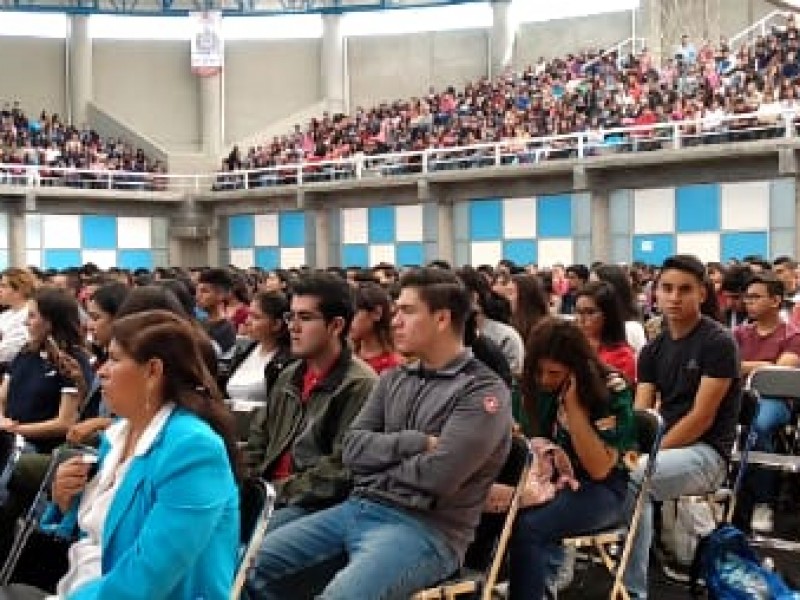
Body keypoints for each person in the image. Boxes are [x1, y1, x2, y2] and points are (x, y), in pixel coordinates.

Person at [247, 267, 512, 600]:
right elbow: (352, 450)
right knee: (244, 568)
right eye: (395, 309)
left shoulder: (482, 392)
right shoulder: (394, 378)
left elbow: (439, 478)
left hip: (425, 530)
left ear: (442, 319)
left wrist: (378, 461)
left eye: (407, 311)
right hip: (358, 507)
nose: (395, 320)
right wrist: (414, 444)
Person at [0, 310, 241, 600]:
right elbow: (92, 532)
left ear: (153, 371)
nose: (100, 370)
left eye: (114, 359)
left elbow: (146, 579)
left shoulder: (192, 450)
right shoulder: (120, 434)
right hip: (80, 584)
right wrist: (64, 501)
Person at [625, 255, 741, 599]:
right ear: (655, 294)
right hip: (666, 449)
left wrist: (645, 452)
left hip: (707, 454)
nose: (674, 297)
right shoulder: (652, 349)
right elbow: (641, 414)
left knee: (635, 477)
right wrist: (627, 446)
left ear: (702, 294)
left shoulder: (718, 342)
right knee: (618, 470)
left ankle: (632, 588)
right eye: (667, 288)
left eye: (685, 289)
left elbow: (701, 419)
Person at [499, 317, 636, 599]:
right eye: (538, 371)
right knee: (482, 509)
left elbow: (599, 469)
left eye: (555, 373)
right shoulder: (527, 384)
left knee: (528, 525)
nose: (544, 380)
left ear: (577, 369)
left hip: (600, 489)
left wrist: (574, 409)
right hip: (542, 480)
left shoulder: (609, 389)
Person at [243, 273, 376, 534]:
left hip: (314, 505)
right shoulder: (289, 375)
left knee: (249, 544)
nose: (293, 327)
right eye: (290, 316)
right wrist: (247, 484)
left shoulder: (359, 384)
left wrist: (273, 493)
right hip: (272, 494)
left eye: (305, 318)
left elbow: (341, 470)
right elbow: (258, 439)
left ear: (336, 326)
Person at [732, 271, 800, 533]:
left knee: (758, 427)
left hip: (775, 401)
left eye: (755, 297)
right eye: (746, 297)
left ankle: (763, 500)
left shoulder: (792, 335)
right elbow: (727, 366)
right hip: (739, 398)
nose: (748, 302)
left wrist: (747, 367)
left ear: (775, 300)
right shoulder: (738, 333)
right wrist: (764, 364)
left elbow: (779, 374)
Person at [0, 288, 92, 454]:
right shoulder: (26, 352)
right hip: (10, 437)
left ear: (51, 322)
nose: (25, 322)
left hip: (38, 447)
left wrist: (15, 430)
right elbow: (2, 396)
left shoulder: (71, 362)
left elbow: (64, 423)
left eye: (32, 316)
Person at [224, 291, 294, 404]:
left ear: (276, 324)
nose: (247, 321)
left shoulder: (287, 361)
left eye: (256, 317)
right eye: (249, 315)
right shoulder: (246, 350)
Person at [574, 281, 637, 383]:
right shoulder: (571, 345)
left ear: (608, 315)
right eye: (578, 311)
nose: (581, 319)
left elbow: (622, 395)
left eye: (590, 312)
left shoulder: (622, 356)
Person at [350, 283, 403, 375]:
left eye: (353, 314)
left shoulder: (393, 367)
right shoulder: (347, 356)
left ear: (376, 313)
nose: (347, 320)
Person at [0, 268, 37, 368]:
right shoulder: (4, 315)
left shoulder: (29, 315)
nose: (0, 290)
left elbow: (6, 353)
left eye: (3, 286)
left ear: (19, 290)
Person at [195, 268, 237, 355]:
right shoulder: (200, 321)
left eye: (204, 291)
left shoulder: (226, 330)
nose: (198, 296)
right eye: (197, 291)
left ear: (222, 295)